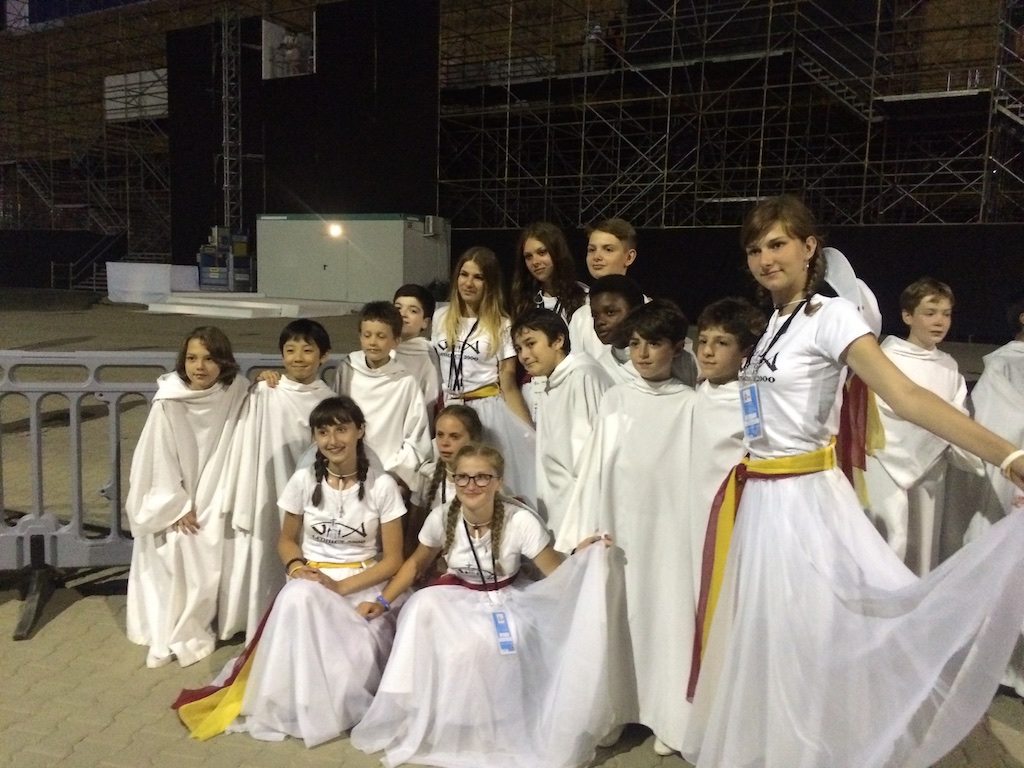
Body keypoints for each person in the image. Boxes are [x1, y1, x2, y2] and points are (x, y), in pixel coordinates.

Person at [682, 195, 1024, 768]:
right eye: (755, 249)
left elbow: (906, 396)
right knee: (772, 639)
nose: (765, 259)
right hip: (761, 500)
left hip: (803, 502)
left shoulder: (832, 316)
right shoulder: (773, 324)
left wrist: (1008, 454)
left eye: (777, 244)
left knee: (811, 639)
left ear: (809, 247)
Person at [349, 443, 635, 768]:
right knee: (420, 607)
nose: (472, 485)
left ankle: (493, 725)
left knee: (485, 643)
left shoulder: (520, 520)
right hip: (457, 596)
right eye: (463, 477)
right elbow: (415, 564)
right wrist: (383, 601)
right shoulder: (442, 517)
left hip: (506, 599)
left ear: (499, 481)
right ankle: (433, 717)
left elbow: (556, 572)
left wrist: (581, 557)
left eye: (482, 477)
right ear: (454, 479)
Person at [174, 396, 406, 748]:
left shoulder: (382, 486)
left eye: (342, 430)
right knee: (299, 595)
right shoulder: (302, 482)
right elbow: (286, 541)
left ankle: (323, 707)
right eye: (323, 432)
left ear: (360, 431)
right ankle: (297, 707)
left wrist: (341, 587)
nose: (333, 440)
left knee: (355, 662)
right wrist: (297, 566)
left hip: (359, 586)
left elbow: (393, 560)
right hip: (311, 581)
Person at [557, 299, 699, 756]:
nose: (642, 354)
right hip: (619, 530)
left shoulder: (691, 405)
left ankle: (668, 715)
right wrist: (584, 529)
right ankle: (617, 709)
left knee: (666, 615)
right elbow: (595, 467)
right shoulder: (616, 398)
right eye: (635, 343)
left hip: (668, 534)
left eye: (653, 344)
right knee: (618, 617)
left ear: (676, 348)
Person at [125, 326, 248, 668]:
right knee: (179, 544)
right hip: (174, 498)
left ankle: (200, 624)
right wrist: (175, 505)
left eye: (209, 358)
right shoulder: (169, 400)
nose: (200, 367)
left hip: (217, 492)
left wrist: (271, 379)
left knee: (209, 542)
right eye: (192, 358)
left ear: (223, 361)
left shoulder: (235, 390)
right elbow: (157, 457)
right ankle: (170, 629)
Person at [219, 318, 335, 641]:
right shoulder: (267, 391)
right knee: (265, 544)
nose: (298, 358)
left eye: (307, 350)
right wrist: (258, 381)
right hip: (267, 486)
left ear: (324, 356)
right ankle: (259, 620)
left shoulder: (328, 400)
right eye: (290, 350)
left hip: (309, 491)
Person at [863, 277, 983, 575]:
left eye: (946, 314)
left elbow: (956, 415)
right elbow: (878, 411)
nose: (939, 321)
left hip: (930, 471)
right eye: (930, 313)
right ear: (908, 316)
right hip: (886, 464)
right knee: (891, 538)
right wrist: (933, 436)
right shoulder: (885, 359)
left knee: (924, 544)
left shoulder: (949, 366)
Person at [432, 246, 536, 501]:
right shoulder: (441, 317)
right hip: (451, 410)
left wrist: (529, 431)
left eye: (478, 277)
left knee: (485, 484)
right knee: (451, 483)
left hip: (485, 412)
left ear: (489, 283)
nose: (469, 283)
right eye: (464, 275)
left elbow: (508, 381)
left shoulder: (501, 324)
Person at [689, 297, 764, 601]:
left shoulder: (750, 400)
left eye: (722, 343)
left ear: (745, 350)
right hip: (692, 512)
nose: (707, 351)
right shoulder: (699, 390)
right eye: (703, 340)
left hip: (728, 516)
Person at [512, 307, 611, 534]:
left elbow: (589, 458)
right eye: (518, 348)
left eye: (530, 344)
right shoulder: (553, 380)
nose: (524, 355)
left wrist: (587, 526)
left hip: (581, 517)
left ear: (558, 341)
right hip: (559, 508)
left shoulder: (582, 376)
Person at [335, 301, 431, 495]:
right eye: (367, 335)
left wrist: (394, 473)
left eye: (381, 336)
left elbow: (416, 436)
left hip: (388, 476)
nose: (373, 342)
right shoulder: (348, 369)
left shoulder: (405, 382)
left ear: (396, 341)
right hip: (347, 470)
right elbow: (334, 417)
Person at [568, 218, 640, 359]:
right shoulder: (580, 316)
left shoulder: (646, 309)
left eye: (608, 250)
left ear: (629, 257)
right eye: (592, 250)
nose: (597, 257)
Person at [509, 222, 587, 323]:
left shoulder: (584, 297)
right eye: (528, 257)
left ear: (558, 252)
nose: (535, 262)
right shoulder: (523, 301)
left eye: (542, 252)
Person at [393, 283, 443, 424]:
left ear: (425, 322)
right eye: (398, 308)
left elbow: (430, 402)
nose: (403, 314)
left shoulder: (426, 355)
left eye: (413, 311)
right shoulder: (380, 350)